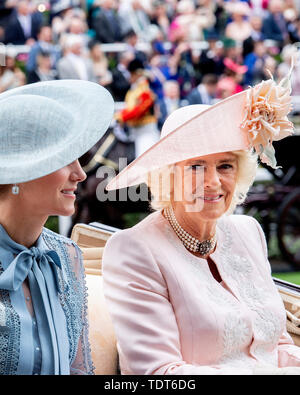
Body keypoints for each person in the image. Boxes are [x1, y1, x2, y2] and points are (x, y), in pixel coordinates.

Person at [102, 67, 300, 374]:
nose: (213, 182)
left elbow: (279, 344)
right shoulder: (133, 250)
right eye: (195, 167)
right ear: (168, 175)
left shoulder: (249, 232)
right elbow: (158, 372)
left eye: (224, 165)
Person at [0, 79, 114, 375]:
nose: (78, 173)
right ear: (18, 170)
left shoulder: (67, 256)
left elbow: (79, 369)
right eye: (63, 159)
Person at [115, 58, 160, 158]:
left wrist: (121, 117)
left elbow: (139, 110)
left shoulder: (145, 89)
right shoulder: (134, 89)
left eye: (131, 74)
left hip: (146, 133)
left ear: (136, 74)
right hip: (134, 133)